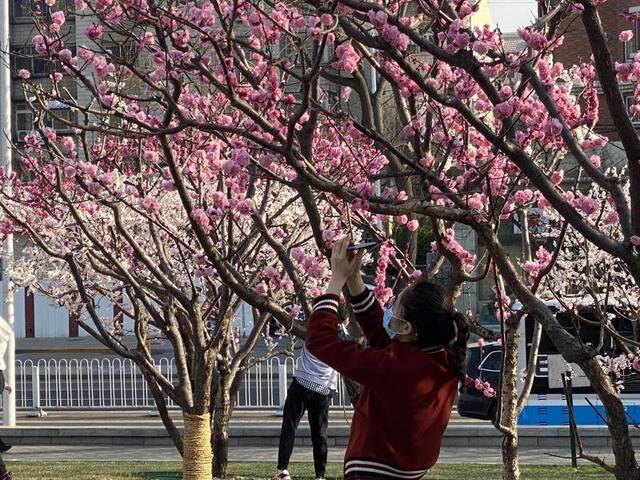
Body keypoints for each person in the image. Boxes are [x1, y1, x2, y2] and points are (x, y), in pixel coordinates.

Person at [306, 237, 469, 479]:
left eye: (395, 308)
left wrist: (335, 282)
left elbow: (320, 342)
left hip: (374, 470)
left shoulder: (396, 367)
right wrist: (354, 279)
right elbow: (383, 337)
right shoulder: (441, 358)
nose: (389, 311)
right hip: (408, 471)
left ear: (407, 329)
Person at [276, 318, 349, 480]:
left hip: (301, 383)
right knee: (320, 433)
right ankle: (320, 475)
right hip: (321, 389)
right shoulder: (340, 339)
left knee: (289, 426)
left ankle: (282, 469)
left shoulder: (314, 329)